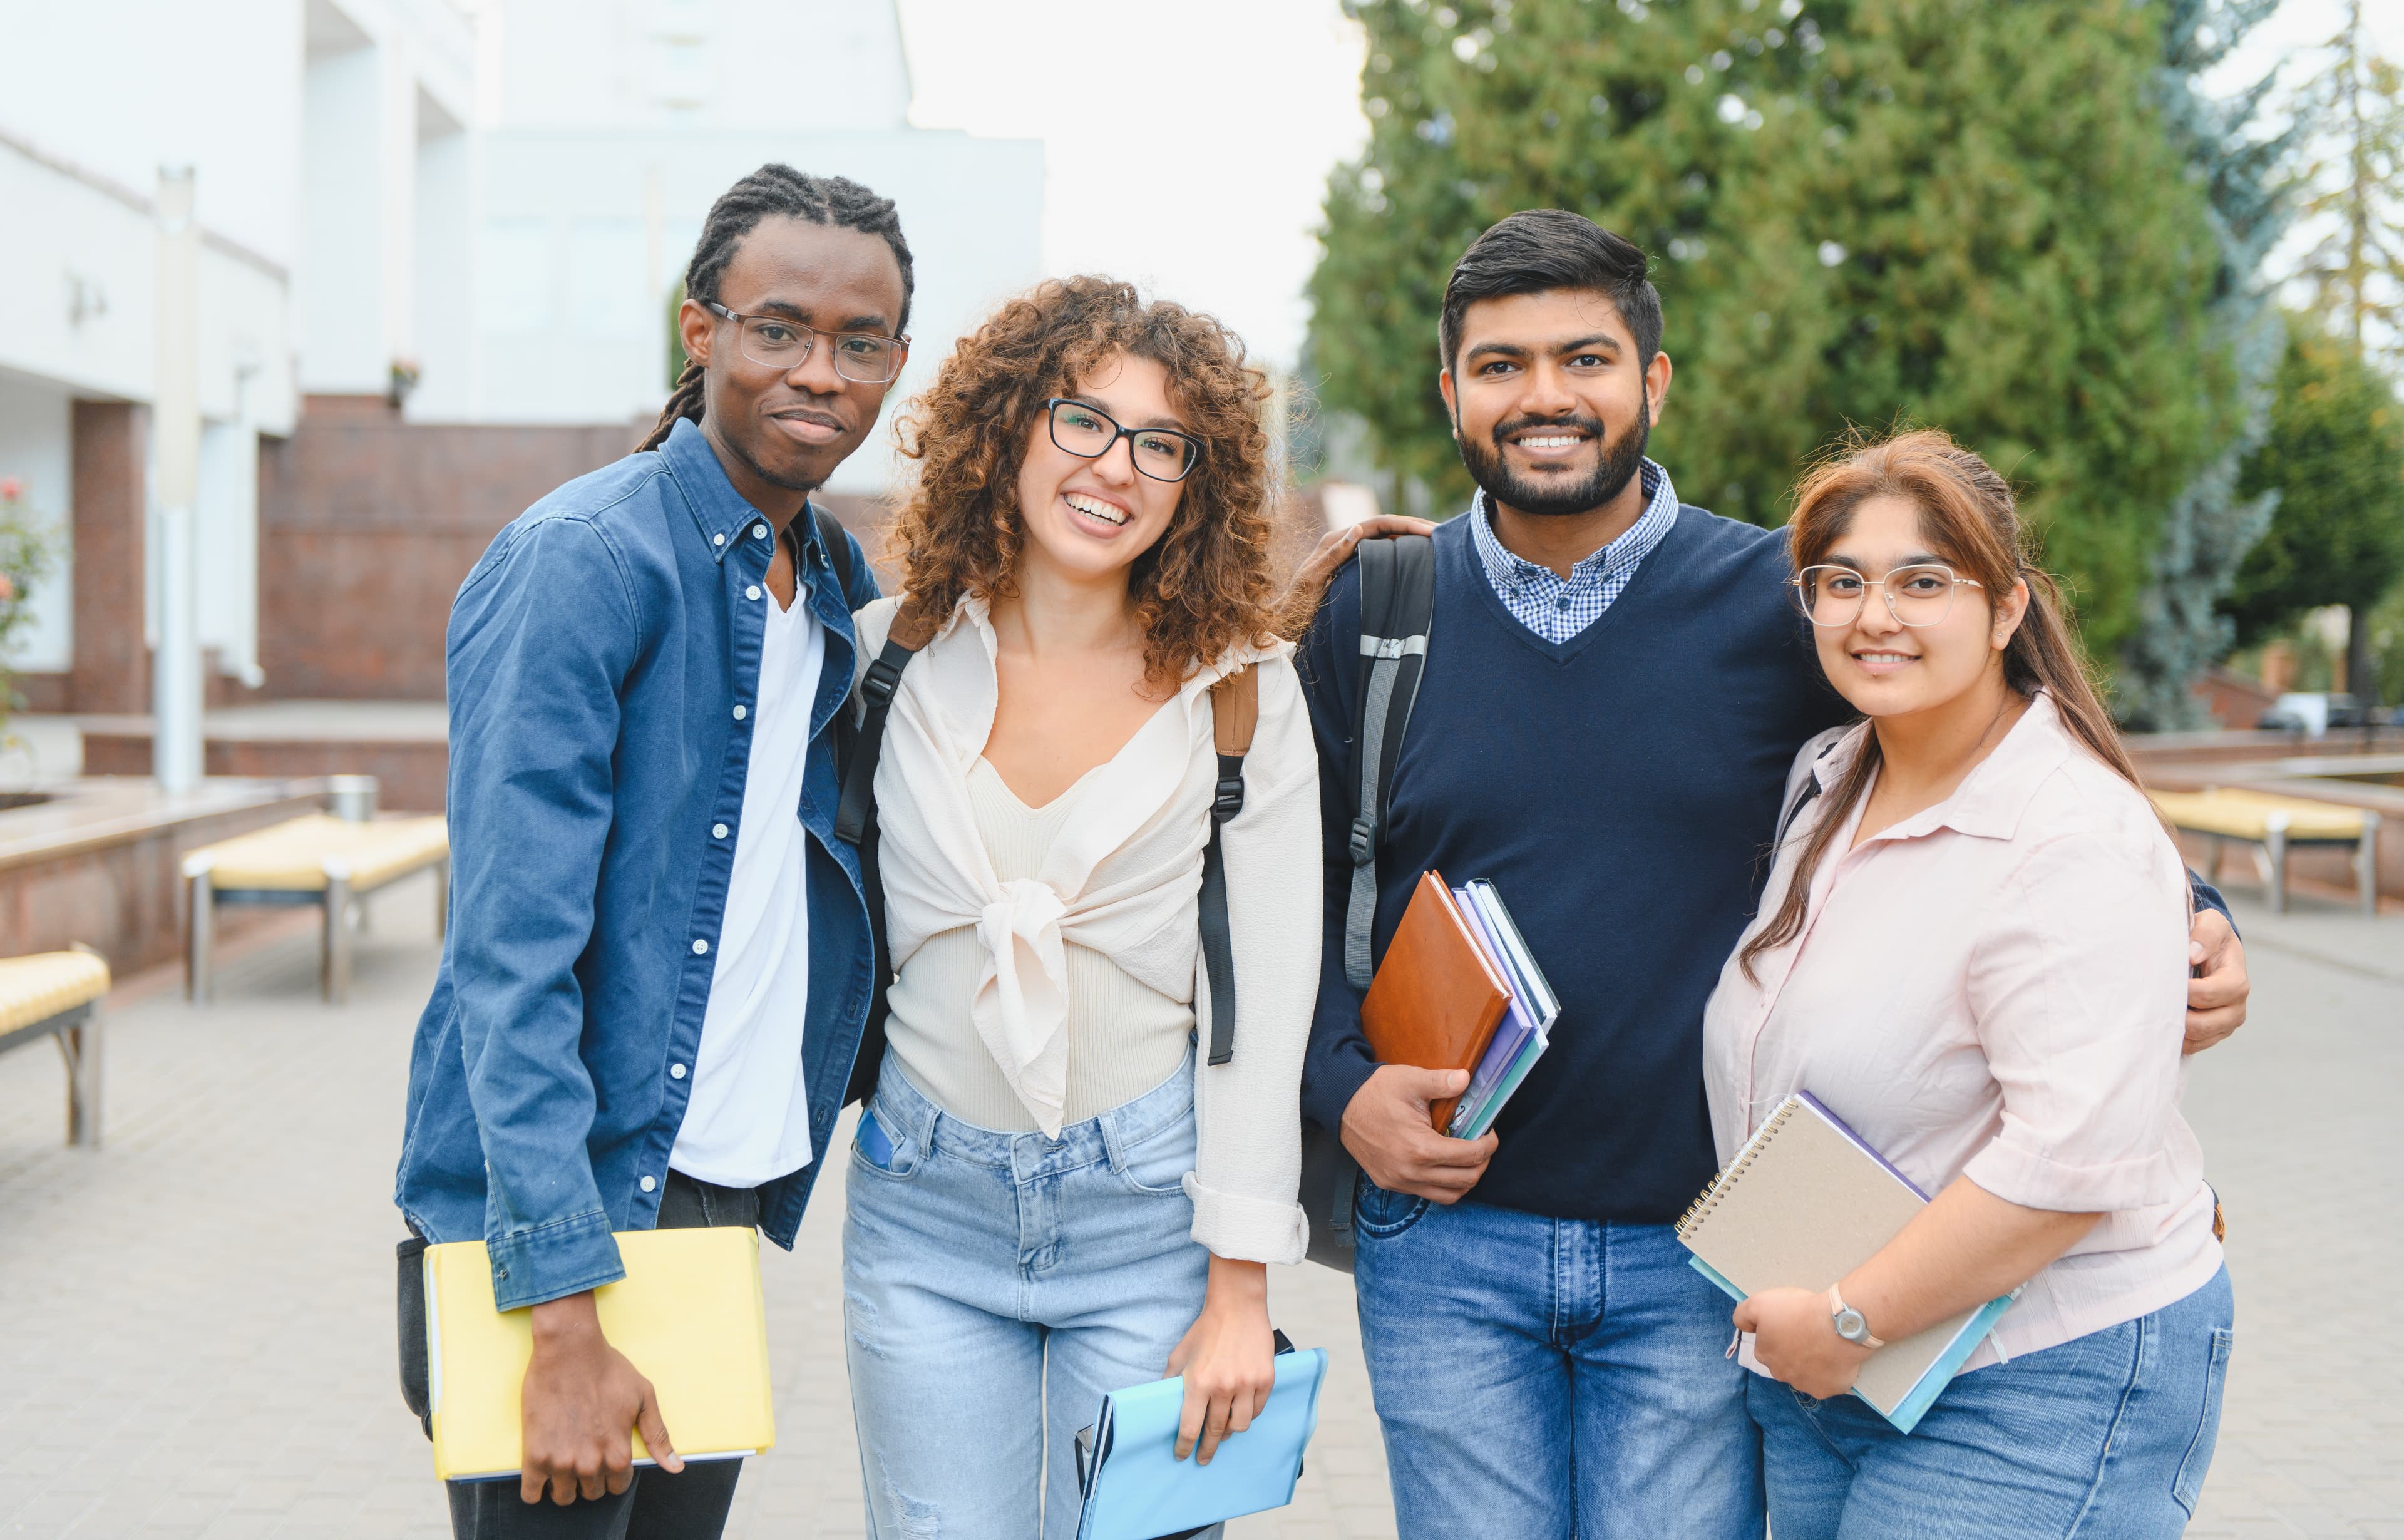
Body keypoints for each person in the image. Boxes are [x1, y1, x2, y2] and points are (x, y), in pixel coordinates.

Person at [1296, 210, 2252, 1539]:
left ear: (1654, 381)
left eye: (1586, 357)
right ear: (1450, 391)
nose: (1547, 396)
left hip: (1705, 1248)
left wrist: (2189, 915)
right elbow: (1268, 887)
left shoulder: (1786, 600)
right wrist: (1341, 1092)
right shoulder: (1379, 613)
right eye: (1503, 366)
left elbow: (1983, 744)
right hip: (1447, 1249)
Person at [393, 165, 910, 1537]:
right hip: (566, 1226)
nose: (822, 372)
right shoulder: (584, 561)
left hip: (712, 1203)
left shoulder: (830, 581)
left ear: (895, 364)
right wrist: (561, 1311)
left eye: (861, 345)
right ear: (703, 332)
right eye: (780, 329)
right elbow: (509, 962)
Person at [839, 277, 1319, 1540]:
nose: (1119, 466)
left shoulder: (1244, 695)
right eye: (1084, 420)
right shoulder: (888, 653)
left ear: (1196, 486)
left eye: (1164, 444)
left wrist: (1239, 1288)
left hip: (1153, 1219)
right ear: (1007, 431)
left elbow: (1265, 1013)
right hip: (923, 1209)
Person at [1712, 429, 2232, 1537]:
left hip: (2035, 1373)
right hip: (1832, 1362)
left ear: (2007, 610)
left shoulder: (2070, 833)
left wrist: (1847, 1322)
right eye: (1842, 581)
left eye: (1923, 581)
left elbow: (2069, 1162)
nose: (1875, 614)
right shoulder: (1830, 778)